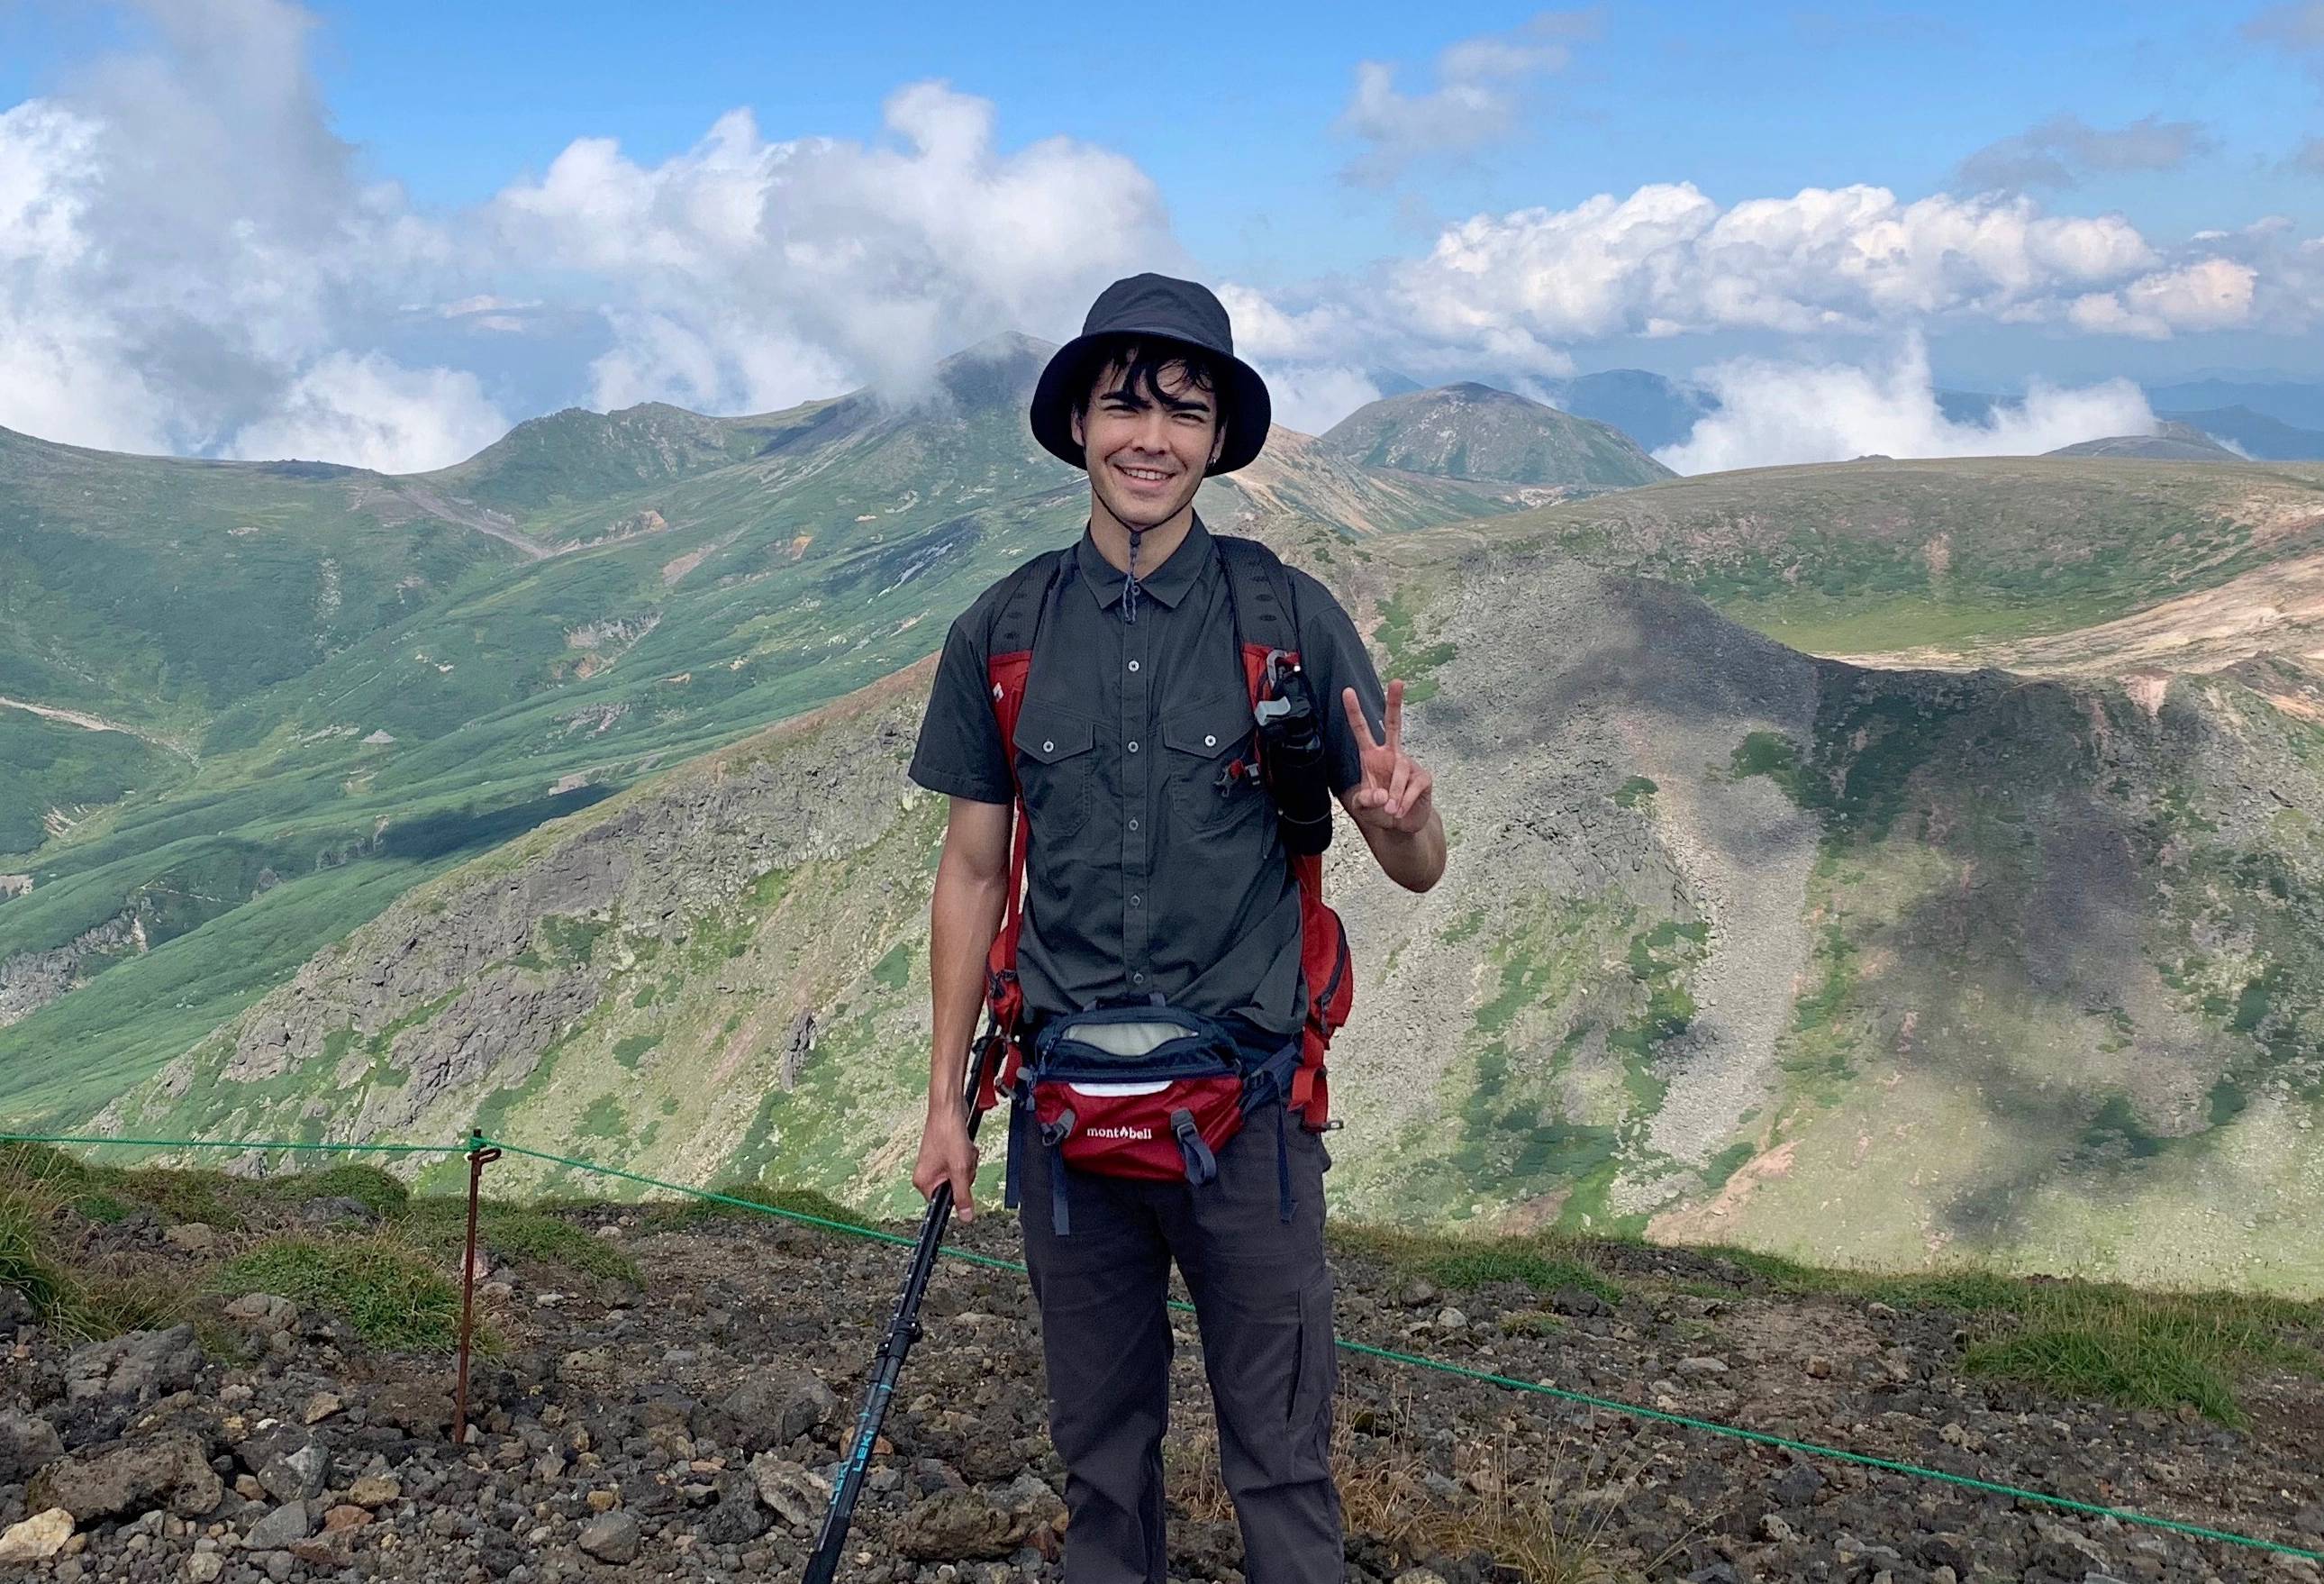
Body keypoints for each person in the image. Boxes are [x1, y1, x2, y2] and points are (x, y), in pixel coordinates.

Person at [905, 272, 1446, 1583]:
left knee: (1284, 1465)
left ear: (1216, 441)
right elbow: (973, 873)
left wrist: (1391, 822)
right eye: (1125, 406)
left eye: (1184, 411)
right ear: (1079, 426)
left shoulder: (1288, 618)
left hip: (1252, 1119)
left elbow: (1419, 863)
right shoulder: (1005, 629)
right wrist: (941, 1099)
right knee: (1101, 1469)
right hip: (1067, 1119)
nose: (1152, 437)